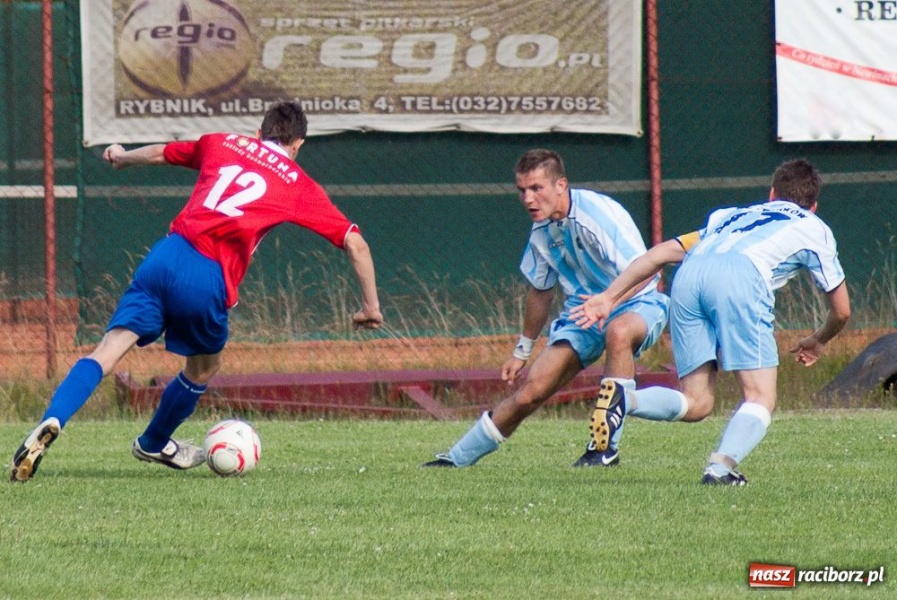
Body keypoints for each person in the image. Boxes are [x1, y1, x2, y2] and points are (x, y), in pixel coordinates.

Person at [10, 101, 383, 483]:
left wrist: (122, 157)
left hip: (165, 255)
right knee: (203, 367)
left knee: (106, 351)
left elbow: (161, 152)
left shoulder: (223, 143)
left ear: (259, 132)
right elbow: (355, 243)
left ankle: (52, 419)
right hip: (207, 277)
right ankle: (153, 441)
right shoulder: (297, 183)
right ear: (298, 144)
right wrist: (370, 306)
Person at [571, 158, 850, 485]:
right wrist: (819, 339)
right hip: (741, 276)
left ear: (772, 194)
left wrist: (609, 297)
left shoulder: (730, 216)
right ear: (813, 206)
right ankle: (720, 469)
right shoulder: (814, 228)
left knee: (697, 402)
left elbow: (659, 254)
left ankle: (625, 399)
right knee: (760, 397)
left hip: (689, 275)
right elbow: (842, 311)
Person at [423, 149, 669, 468]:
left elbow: (647, 269)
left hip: (638, 300)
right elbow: (540, 292)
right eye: (522, 190)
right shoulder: (541, 232)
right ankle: (455, 459)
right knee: (531, 391)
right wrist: (522, 351)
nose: (528, 199)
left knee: (619, 331)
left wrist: (609, 301)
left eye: (536, 188)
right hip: (583, 313)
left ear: (560, 185)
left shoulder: (597, 214)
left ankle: (603, 448)